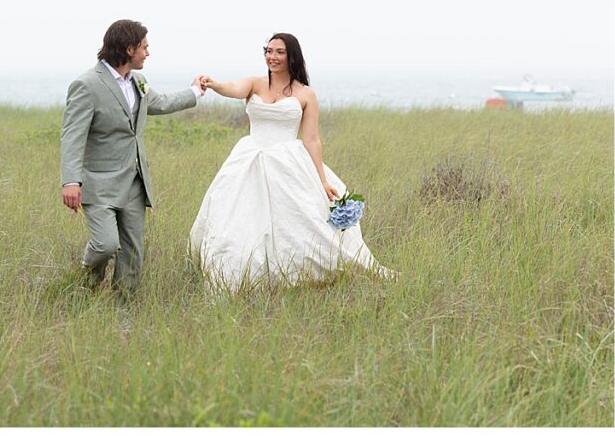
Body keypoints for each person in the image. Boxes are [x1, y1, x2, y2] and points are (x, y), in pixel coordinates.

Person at [190, 32, 393, 292]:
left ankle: (299, 275)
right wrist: (214, 84)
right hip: (250, 157)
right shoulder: (254, 83)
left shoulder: (306, 94)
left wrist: (322, 180)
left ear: (291, 56)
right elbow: (234, 88)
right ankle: (238, 273)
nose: (272, 57)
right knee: (238, 219)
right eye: (269, 51)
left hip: (287, 163)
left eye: (279, 52)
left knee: (299, 220)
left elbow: (312, 140)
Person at [61, 19, 206, 293]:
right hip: (99, 183)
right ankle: (84, 286)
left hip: (134, 182)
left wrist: (195, 92)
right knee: (105, 245)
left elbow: (160, 103)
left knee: (132, 251)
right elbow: (72, 135)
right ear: (129, 49)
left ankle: (123, 310)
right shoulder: (86, 84)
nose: (148, 53)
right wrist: (71, 181)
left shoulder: (139, 81)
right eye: (144, 47)